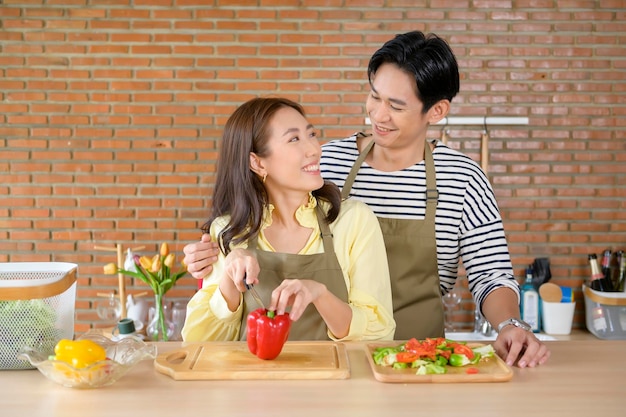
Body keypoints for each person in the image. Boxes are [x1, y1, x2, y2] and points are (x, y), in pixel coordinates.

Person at [183, 32, 550, 368]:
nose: (377, 114)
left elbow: (490, 273)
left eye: (396, 105)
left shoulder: (462, 177)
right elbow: (254, 210)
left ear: (435, 111)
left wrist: (510, 324)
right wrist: (214, 254)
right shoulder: (324, 163)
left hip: (419, 355)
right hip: (340, 358)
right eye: (374, 95)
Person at [181, 97, 395, 342]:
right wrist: (229, 278)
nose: (315, 149)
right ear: (257, 162)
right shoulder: (228, 231)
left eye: (311, 134)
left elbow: (380, 333)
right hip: (252, 380)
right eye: (294, 139)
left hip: (337, 378)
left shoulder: (353, 220)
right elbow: (201, 346)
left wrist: (320, 294)